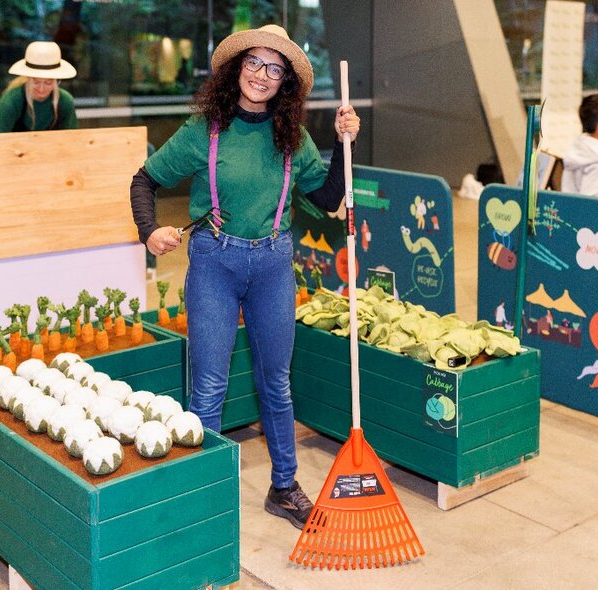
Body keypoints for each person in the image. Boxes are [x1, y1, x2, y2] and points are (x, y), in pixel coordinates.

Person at [129, 24, 361, 529]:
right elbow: (145, 179)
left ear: (285, 83)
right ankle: (203, 496)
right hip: (214, 261)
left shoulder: (292, 138)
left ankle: (284, 487)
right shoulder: (203, 131)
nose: (262, 75)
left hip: (275, 264)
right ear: (237, 69)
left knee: (276, 383)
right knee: (209, 386)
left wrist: (346, 145)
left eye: (274, 69)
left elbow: (325, 200)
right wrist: (149, 232)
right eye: (254, 63)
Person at [0, 41, 78, 133]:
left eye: (48, 83)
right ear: (27, 79)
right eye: (36, 82)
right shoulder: (11, 102)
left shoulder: (65, 101)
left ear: (57, 82)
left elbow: (71, 139)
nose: (41, 89)